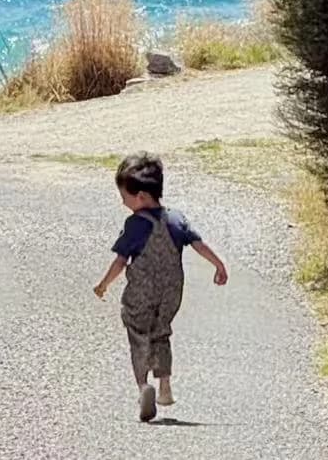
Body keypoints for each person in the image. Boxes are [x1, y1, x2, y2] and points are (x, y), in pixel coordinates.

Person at [93, 151, 228, 422]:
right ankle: (165, 387)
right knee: (161, 333)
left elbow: (120, 261)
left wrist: (103, 284)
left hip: (140, 293)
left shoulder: (134, 224)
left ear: (141, 196)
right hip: (170, 292)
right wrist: (219, 265)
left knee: (138, 334)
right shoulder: (176, 219)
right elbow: (199, 245)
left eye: (125, 198)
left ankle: (144, 387)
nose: (123, 203)